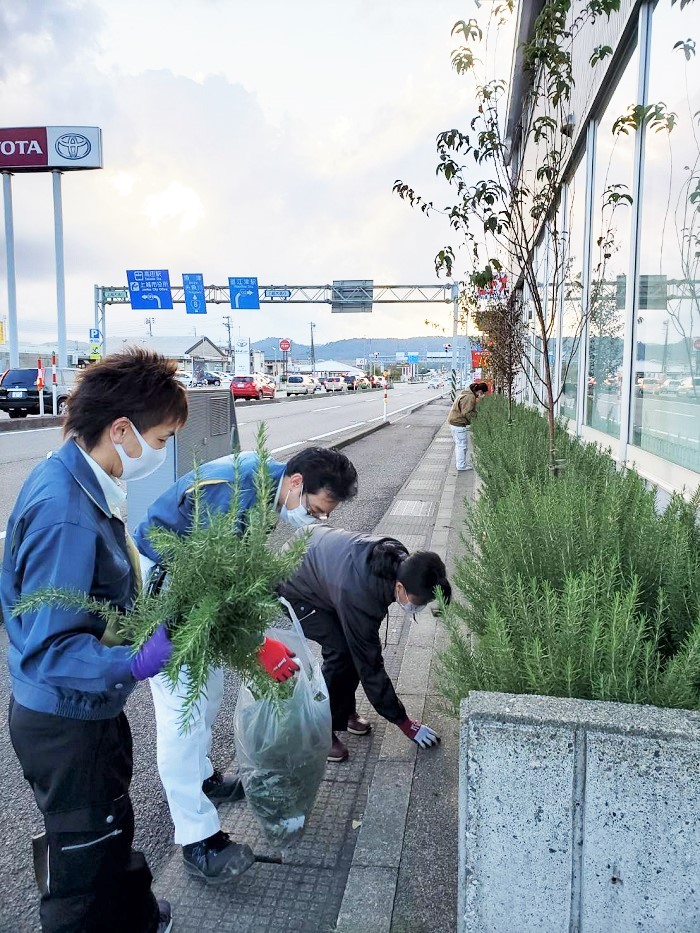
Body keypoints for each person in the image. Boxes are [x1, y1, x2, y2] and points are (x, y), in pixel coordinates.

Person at [2, 349, 189, 933]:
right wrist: (133, 660)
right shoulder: (66, 512)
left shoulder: (80, 475)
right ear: (121, 430)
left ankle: (133, 915)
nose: (162, 451)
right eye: (162, 437)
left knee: (112, 822)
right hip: (64, 721)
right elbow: (50, 648)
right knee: (81, 859)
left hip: (90, 707)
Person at [132, 446, 358, 884]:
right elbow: (207, 584)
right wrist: (258, 644)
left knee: (209, 689)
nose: (314, 520)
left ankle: (204, 779)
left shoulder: (267, 486)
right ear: (296, 483)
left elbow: (232, 581)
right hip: (170, 589)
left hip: (196, 593)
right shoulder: (235, 493)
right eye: (314, 509)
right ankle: (196, 838)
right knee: (183, 709)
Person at [279, 526, 452, 763]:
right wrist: (404, 722)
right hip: (293, 582)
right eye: (418, 602)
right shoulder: (361, 595)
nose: (418, 608)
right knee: (341, 653)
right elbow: (370, 666)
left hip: (322, 567)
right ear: (400, 587)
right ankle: (318, 731)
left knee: (351, 649)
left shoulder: (400, 560)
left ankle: (341, 713)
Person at [447, 381, 488, 471]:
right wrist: (476, 420)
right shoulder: (470, 397)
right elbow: (466, 412)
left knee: (459, 445)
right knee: (462, 445)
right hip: (458, 423)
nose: (483, 395)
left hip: (455, 422)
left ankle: (461, 464)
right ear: (480, 391)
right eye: (483, 393)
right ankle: (461, 465)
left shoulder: (467, 393)